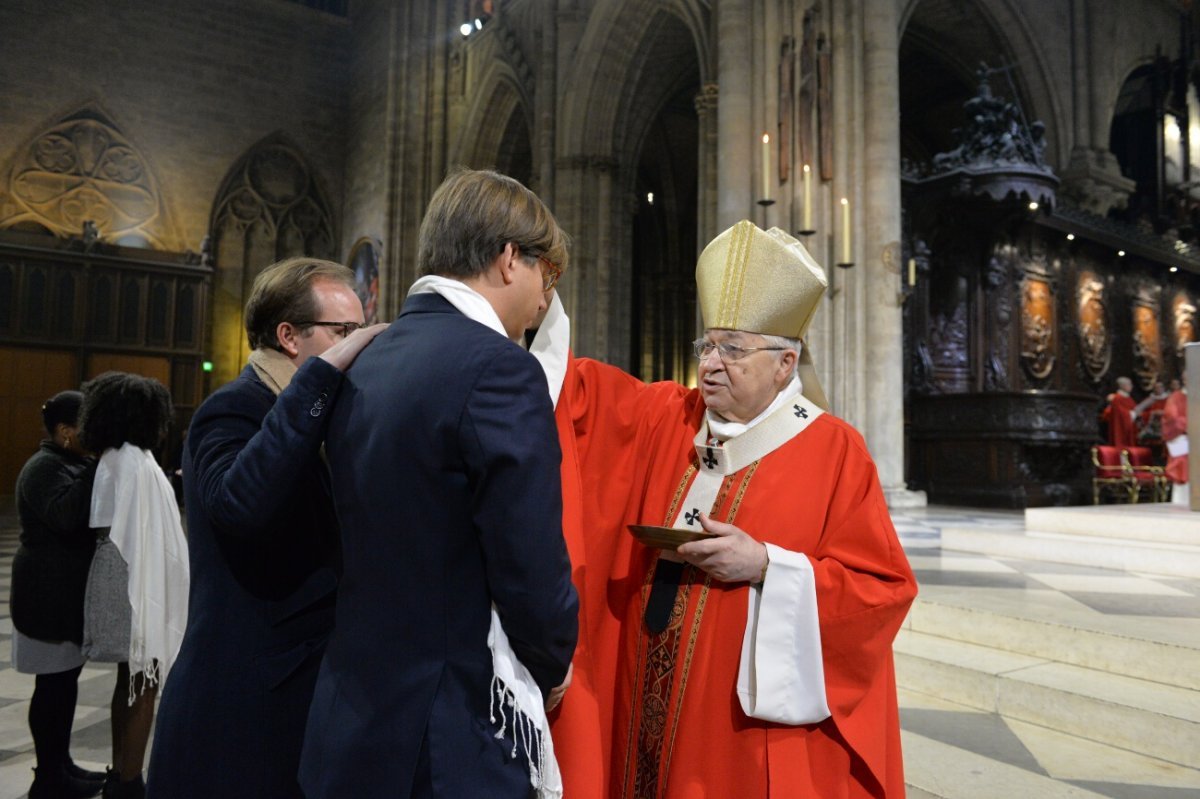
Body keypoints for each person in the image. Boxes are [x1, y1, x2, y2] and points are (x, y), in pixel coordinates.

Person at [530, 220, 918, 797]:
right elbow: (575, 394)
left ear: (785, 364)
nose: (711, 363)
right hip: (638, 697)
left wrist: (766, 564)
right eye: (707, 346)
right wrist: (528, 290)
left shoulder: (834, 450)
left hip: (735, 736)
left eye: (732, 349)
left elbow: (881, 591)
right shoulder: (669, 416)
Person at [299, 168, 579, 798]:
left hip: (352, 712)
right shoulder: (500, 370)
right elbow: (529, 559)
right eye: (546, 276)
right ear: (510, 259)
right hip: (445, 731)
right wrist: (552, 658)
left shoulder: (372, 355)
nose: (543, 303)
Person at [146, 257, 384, 799]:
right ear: (289, 336)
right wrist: (323, 379)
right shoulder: (231, 411)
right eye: (345, 332)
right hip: (240, 709)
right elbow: (241, 505)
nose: (358, 345)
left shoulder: (315, 415)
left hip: (297, 698)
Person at [76, 372, 188, 799]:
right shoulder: (132, 461)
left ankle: (120, 771)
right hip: (129, 575)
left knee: (131, 680)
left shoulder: (116, 457)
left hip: (116, 568)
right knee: (145, 681)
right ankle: (129, 783)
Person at [10, 391, 107, 799]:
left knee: (63, 685)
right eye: (86, 428)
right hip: (43, 597)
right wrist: (95, 467)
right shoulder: (43, 467)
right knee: (51, 688)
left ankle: (60, 764)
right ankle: (48, 778)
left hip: (59, 596)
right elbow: (66, 517)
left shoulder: (66, 461)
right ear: (66, 432)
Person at [1163, 377, 1188, 504]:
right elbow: (1172, 419)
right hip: (1181, 440)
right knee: (1183, 467)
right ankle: (1182, 504)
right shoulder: (1176, 397)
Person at [1104, 376, 1137, 447]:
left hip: (1130, 427)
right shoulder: (1117, 398)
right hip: (1120, 429)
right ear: (1122, 386)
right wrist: (1131, 414)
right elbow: (1120, 414)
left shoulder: (1129, 398)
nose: (1132, 386)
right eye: (1129, 384)